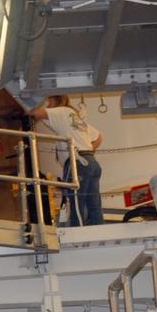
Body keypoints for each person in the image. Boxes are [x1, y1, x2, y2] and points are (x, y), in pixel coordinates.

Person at [31, 95, 104, 226]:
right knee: (94, 206)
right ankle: (99, 231)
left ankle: (79, 236)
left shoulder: (61, 111)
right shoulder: (74, 118)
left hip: (77, 164)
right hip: (91, 162)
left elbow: (36, 113)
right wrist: (87, 150)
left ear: (54, 101)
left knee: (76, 204)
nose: (48, 106)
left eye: (48, 103)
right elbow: (99, 137)